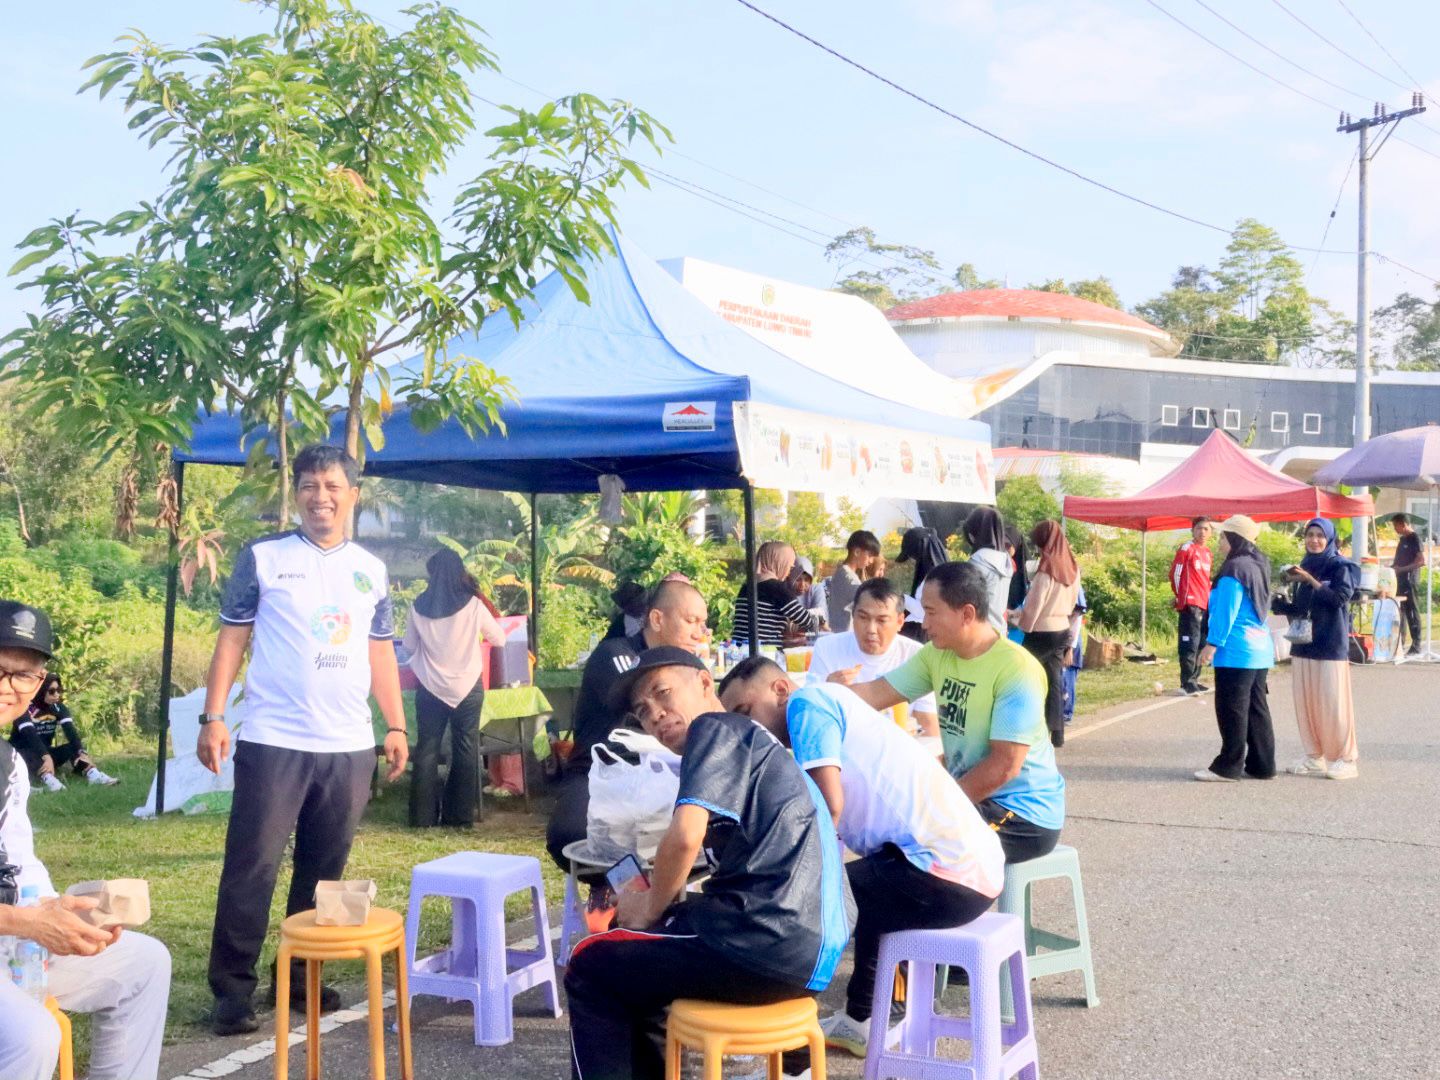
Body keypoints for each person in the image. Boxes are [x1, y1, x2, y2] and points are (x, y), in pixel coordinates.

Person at [564, 647, 854, 1080]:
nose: (656, 715)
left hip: (763, 935)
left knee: (590, 961)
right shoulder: (756, 746)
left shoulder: (716, 727)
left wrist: (648, 907)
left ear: (704, 683)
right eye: (643, 712)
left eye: (663, 693)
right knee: (638, 964)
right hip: (810, 949)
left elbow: (684, 837)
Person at [198, 444, 408, 1036]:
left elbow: (380, 653)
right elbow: (232, 640)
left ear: (353, 495)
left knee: (323, 871)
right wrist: (212, 717)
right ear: (298, 493)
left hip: (348, 746)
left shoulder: (371, 569)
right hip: (274, 740)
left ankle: (299, 979)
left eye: (333, 486)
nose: (321, 496)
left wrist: (393, 725)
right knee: (252, 866)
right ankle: (231, 992)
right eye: (311, 485)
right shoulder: (264, 558)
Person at [718, 658, 1002, 1058]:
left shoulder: (807, 705)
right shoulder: (833, 701)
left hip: (946, 876)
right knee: (858, 889)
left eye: (745, 713)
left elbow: (827, 807)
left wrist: (790, 878)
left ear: (780, 690)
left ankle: (789, 1050)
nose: (748, 729)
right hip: (972, 873)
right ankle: (860, 1020)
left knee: (805, 908)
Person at [0, 600, 171, 1080]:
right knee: (31, 1036)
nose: (8, 687)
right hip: (11, 928)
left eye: (24, 675)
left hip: (11, 935)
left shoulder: (9, 763)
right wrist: (27, 922)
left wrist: (68, 914)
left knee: (143, 965)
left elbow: (20, 864)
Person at [847, 561, 1065, 865]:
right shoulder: (937, 655)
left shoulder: (1016, 670)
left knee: (916, 850)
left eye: (931, 613)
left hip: (1022, 815)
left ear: (966, 613)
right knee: (890, 832)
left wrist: (938, 807)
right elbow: (875, 693)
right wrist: (824, 696)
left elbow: (1005, 766)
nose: (924, 624)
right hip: (971, 798)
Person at [544, 579, 709, 872]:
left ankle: (655, 898)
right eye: (691, 621)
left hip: (666, 773)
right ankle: (620, 895)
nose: (700, 633)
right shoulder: (616, 654)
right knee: (571, 835)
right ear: (657, 619)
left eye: (703, 624)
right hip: (602, 771)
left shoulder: (693, 671)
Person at [403, 548, 507, 827]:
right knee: (465, 748)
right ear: (459, 572)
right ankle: (458, 817)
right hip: (467, 685)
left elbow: (409, 646)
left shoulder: (417, 606)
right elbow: (498, 640)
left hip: (429, 686)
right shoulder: (473, 604)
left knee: (427, 748)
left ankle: (422, 818)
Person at [1272, 519, 1360, 780]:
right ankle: (1314, 755)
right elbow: (1303, 608)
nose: (1314, 540)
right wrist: (1281, 603)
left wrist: (1310, 579)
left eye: (1320, 535)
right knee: (1307, 703)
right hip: (1304, 644)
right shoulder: (1305, 564)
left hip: (1330, 644)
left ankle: (1346, 758)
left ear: (1330, 538)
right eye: (1310, 534)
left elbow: (1338, 599)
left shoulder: (1342, 566)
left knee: (1333, 704)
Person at [1194, 515, 1276, 783]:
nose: (1219, 542)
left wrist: (1211, 645)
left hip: (1236, 649)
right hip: (1260, 648)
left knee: (1232, 709)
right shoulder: (1259, 564)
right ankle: (1262, 765)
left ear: (1235, 538)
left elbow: (1226, 612)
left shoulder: (1234, 570)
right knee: (1256, 708)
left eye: (1222, 537)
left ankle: (1228, 766)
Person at [807, 578, 938, 735]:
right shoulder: (827, 648)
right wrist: (827, 691)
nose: (871, 629)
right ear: (853, 614)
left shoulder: (917, 656)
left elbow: (929, 726)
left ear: (900, 621)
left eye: (882, 620)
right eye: (863, 617)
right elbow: (809, 716)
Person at [1018, 521, 1081, 749]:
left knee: (1023, 676)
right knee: (1054, 681)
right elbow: (1074, 602)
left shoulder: (1047, 570)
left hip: (1041, 630)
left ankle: (1025, 727)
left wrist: (1022, 623)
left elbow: (1034, 605)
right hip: (1062, 627)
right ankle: (1057, 733)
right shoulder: (1073, 568)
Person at [8, 674, 119, 790]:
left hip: (45, 753)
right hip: (22, 756)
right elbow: (30, 735)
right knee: (29, 753)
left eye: (59, 690)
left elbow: (70, 731)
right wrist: (46, 757)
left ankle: (92, 774)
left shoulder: (58, 707)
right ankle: (48, 779)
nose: (57, 695)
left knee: (73, 747)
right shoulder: (23, 708)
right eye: (51, 691)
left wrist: (82, 753)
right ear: (40, 691)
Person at [732, 541, 823, 647]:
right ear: (779, 563)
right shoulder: (777, 588)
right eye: (789, 566)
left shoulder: (746, 586)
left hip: (739, 650)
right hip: (763, 654)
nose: (789, 572)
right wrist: (821, 620)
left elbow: (762, 624)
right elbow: (806, 620)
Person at [1170, 516, 1214, 695]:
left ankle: (1195, 678)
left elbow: (1206, 580)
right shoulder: (1187, 548)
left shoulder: (1208, 553)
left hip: (1205, 604)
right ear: (1192, 530)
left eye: (1206, 529)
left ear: (1210, 533)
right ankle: (1187, 682)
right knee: (1189, 643)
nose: (1202, 532)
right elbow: (1175, 574)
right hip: (1190, 603)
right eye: (1199, 528)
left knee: (1201, 643)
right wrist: (1180, 597)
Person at [960, 508, 1012, 636]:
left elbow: (965, 599)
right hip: (1000, 630)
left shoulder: (978, 562)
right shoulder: (1006, 560)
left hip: (979, 632)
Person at [896, 525, 951, 640]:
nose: (913, 560)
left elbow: (924, 610)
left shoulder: (934, 577)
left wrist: (900, 597)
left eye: (912, 555)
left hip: (919, 632)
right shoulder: (942, 572)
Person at [826, 529, 883, 632]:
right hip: (843, 634)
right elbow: (867, 599)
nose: (870, 561)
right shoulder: (846, 576)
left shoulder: (846, 573)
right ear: (857, 552)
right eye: (869, 556)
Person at [1391, 513, 1424, 655]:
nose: (1395, 529)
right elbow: (1399, 560)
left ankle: (1416, 644)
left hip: (1410, 580)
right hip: (1400, 581)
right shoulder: (1402, 540)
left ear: (1403, 524)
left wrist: (1403, 569)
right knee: (1401, 612)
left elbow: (1421, 561)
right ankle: (1400, 642)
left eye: (1396, 526)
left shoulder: (1414, 538)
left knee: (1412, 611)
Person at [1004, 524, 1029, 644]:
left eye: (1008, 545)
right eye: (1001, 545)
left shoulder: (1029, 569)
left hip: (1017, 628)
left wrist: (1012, 614)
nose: (1004, 549)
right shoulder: (998, 565)